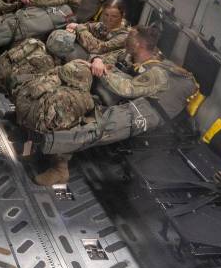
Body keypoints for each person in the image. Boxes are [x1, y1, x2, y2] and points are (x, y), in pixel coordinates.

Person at [34, 25, 170, 186]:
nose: (125, 40)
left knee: (94, 128)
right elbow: (102, 59)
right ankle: (34, 120)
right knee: (69, 99)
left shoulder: (157, 72)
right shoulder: (127, 54)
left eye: (130, 38)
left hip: (142, 108)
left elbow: (127, 89)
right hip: (113, 95)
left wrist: (104, 72)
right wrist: (97, 61)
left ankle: (59, 169)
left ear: (139, 44)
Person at [48, 0, 130, 62]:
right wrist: (73, 29)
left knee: (67, 48)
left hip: (99, 62)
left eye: (114, 16)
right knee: (58, 37)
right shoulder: (103, 25)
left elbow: (99, 48)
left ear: (122, 15)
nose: (108, 19)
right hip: (88, 53)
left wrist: (79, 28)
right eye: (106, 14)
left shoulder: (124, 36)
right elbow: (87, 26)